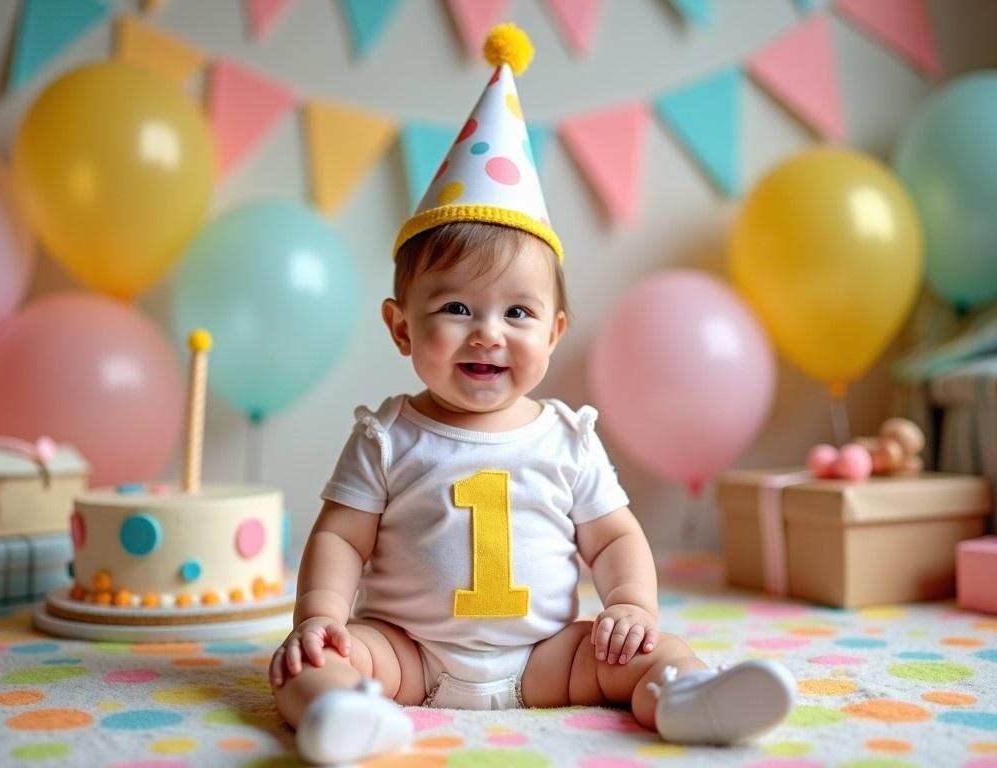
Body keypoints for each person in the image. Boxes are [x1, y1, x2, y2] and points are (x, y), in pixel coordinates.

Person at [269, 23, 796, 765]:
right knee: (304, 661)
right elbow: (339, 538)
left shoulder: (567, 437)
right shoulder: (387, 436)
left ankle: (684, 695)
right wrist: (320, 618)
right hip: (407, 653)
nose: (488, 334)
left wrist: (630, 608)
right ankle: (340, 709)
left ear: (554, 332)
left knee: (650, 647)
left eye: (517, 313)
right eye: (456, 309)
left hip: (550, 657)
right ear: (400, 328)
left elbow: (613, 538)